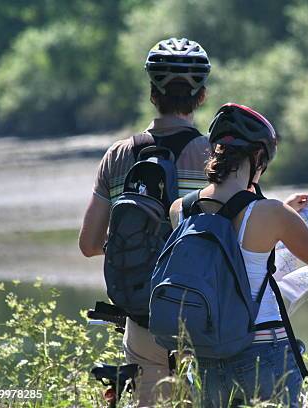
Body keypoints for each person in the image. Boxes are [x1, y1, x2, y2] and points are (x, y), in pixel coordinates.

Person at [169, 103, 308, 407]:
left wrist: (280, 208)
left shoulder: (180, 209)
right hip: (263, 353)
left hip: (208, 356)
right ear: (258, 157)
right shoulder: (272, 214)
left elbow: (225, 240)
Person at [78, 37, 213, 406]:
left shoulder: (118, 155)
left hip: (142, 317)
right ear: (201, 96)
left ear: (153, 92)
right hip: (206, 316)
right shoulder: (217, 157)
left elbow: (89, 245)